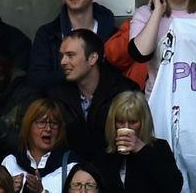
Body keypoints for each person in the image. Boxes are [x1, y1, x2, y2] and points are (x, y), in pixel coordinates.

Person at [28, 0, 117, 90]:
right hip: (61, 106)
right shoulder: (47, 34)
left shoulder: (113, 34)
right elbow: (37, 80)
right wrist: (77, 72)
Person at [50, 29, 138, 159]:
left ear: (92, 58)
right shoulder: (56, 94)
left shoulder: (124, 91)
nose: (63, 61)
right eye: (62, 56)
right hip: (73, 173)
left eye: (70, 55)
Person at [1, 98, 78, 193]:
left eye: (54, 123)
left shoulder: (70, 165)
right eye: (42, 122)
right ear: (28, 126)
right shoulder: (11, 162)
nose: (48, 129)